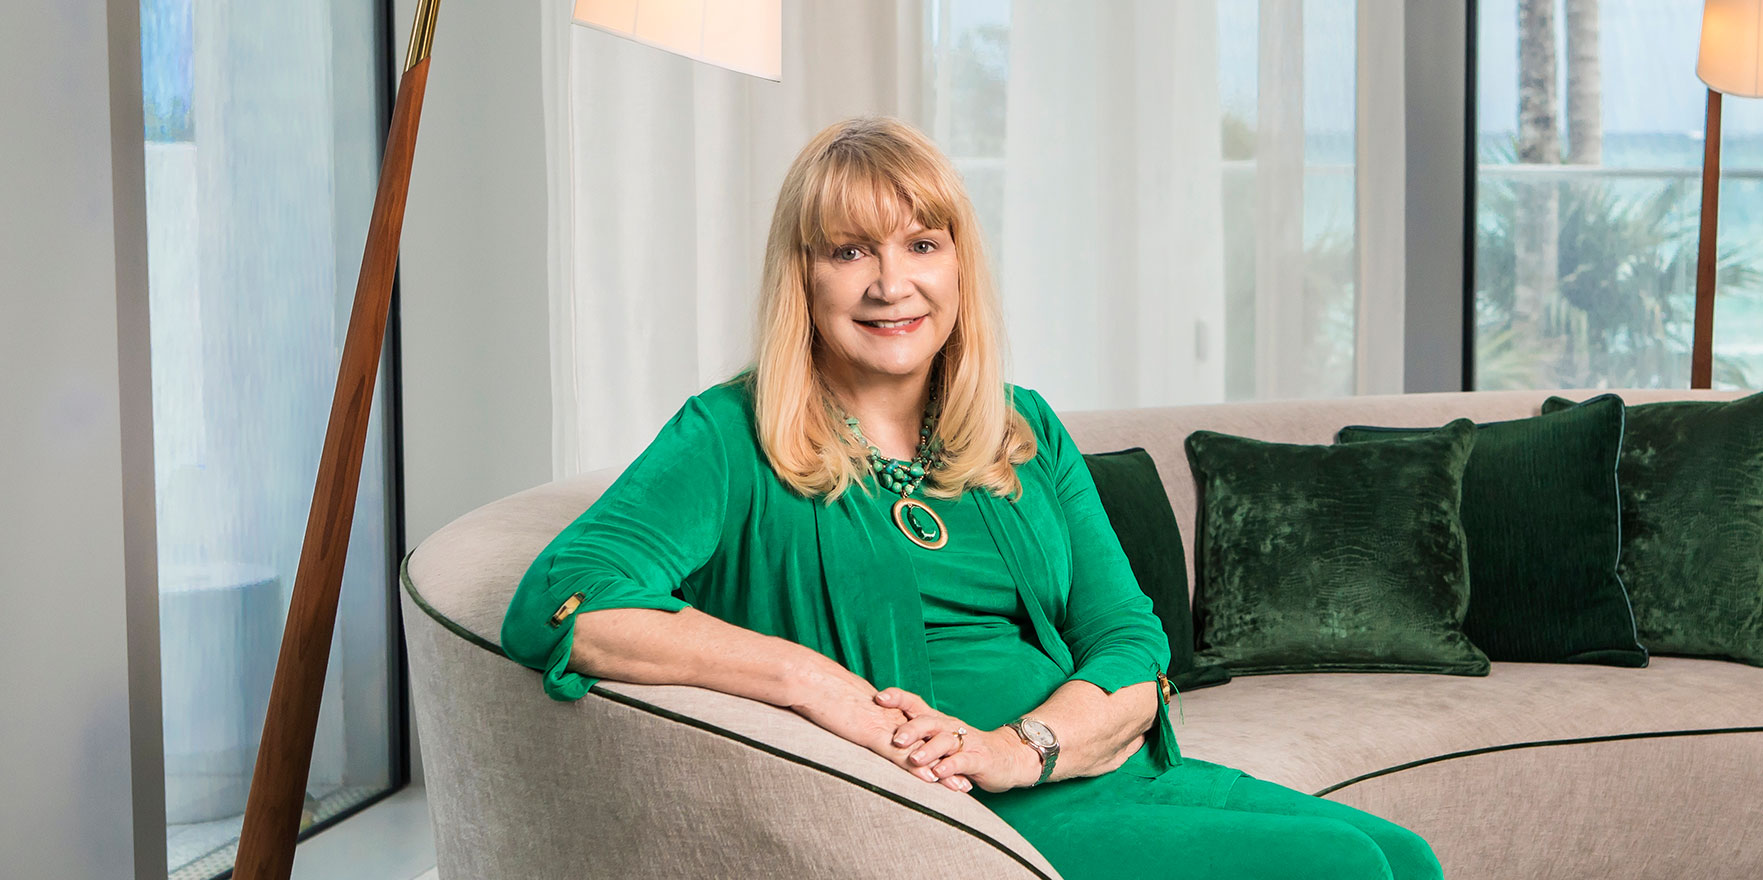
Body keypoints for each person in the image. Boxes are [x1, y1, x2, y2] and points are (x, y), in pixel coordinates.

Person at [501, 115, 1444, 880]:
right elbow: (564, 600)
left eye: (921, 243)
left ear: (958, 264)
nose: (892, 284)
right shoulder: (728, 436)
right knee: (1339, 868)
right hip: (940, 810)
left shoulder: (1021, 427)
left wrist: (1022, 746)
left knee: (1404, 859)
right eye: (849, 251)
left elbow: (1127, 637)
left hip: (1068, 768)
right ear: (802, 276)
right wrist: (817, 686)